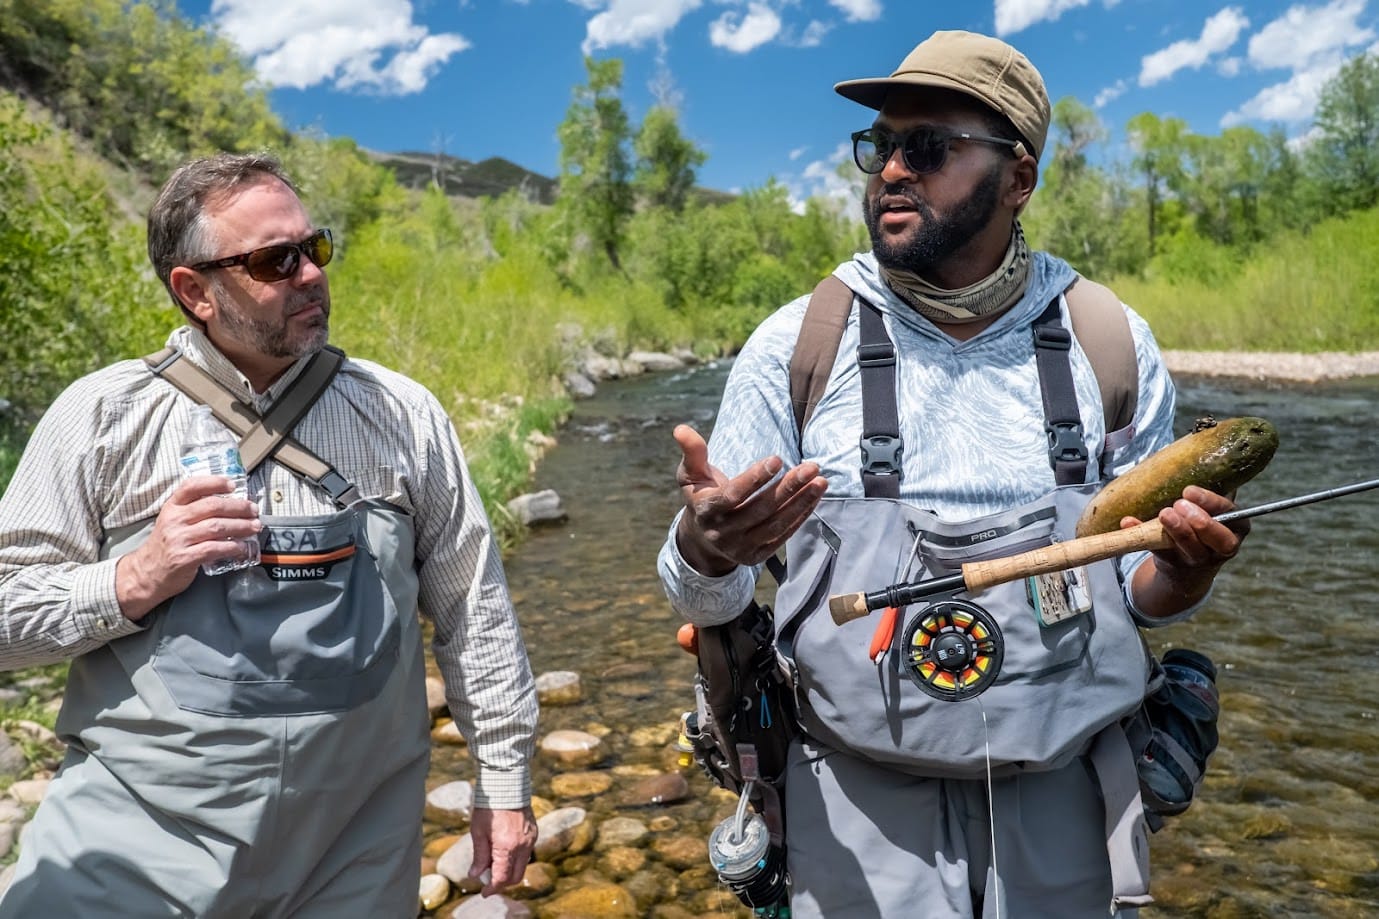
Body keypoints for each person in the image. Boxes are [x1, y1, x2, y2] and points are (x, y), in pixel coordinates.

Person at [658, 30, 1249, 919]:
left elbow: (1138, 591)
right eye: (880, 146)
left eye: (928, 147)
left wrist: (1184, 571)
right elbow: (703, 600)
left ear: (1018, 178)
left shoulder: (1108, 342)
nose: (892, 170)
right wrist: (703, 552)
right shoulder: (797, 344)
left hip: (1068, 792)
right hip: (852, 808)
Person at [0, 152, 539, 916]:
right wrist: (135, 576)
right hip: (134, 847)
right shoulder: (100, 418)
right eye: (273, 260)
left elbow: (473, 609)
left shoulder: (404, 414)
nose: (310, 274)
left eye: (313, 248)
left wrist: (504, 784)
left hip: (354, 852)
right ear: (195, 291)